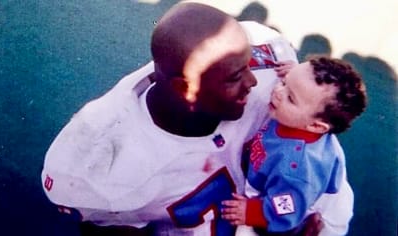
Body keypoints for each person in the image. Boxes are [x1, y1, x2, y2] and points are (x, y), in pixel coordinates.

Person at [41, 2, 353, 235]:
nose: (254, 82)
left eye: (248, 65)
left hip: (303, 208)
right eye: (234, 77)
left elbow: (313, 135)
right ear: (186, 88)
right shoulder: (98, 156)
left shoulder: (270, 60)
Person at [221, 57, 366, 234]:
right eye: (284, 82)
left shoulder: (296, 170)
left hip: (304, 208)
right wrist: (296, 79)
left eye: (290, 97)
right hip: (309, 189)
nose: (278, 91)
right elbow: (310, 94)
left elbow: (287, 209)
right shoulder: (300, 118)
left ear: (315, 126)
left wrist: (252, 212)